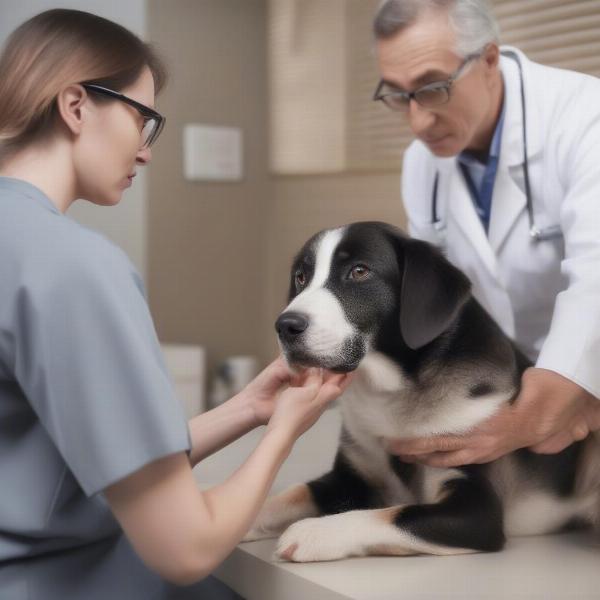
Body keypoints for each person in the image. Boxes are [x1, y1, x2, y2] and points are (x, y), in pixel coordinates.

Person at [0, 9, 352, 600]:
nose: (146, 152)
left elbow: (92, 464)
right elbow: (185, 548)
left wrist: (249, 409)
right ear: (76, 105)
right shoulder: (75, 267)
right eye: (145, 119)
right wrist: (284, 436)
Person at [372, 0, 600, 467]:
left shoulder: (584, 119)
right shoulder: (423, 164)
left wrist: (544, 407)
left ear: (489, 59)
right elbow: (435, 301)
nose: (418, 122)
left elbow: (597, 277)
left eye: (433, 88)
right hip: (516, 398)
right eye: (397, 95)